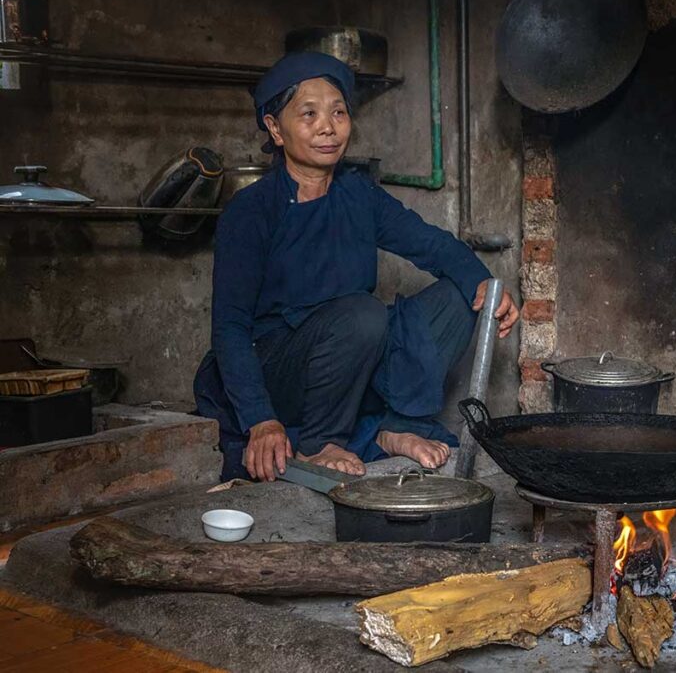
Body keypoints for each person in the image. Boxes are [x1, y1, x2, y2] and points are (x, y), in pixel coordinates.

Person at [193, 51, 518, 482]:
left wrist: (483, 282)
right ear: (275, 129)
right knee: (362, 314)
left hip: (349, 362)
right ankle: (319, 443)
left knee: (458, 294)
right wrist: (260, 420)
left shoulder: (358, 195)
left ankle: (388, 427)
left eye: (338, 112)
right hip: (280, 371)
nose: (328, 127)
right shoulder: (251, 211)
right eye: (308, 114)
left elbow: (432, 244)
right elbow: (230, 327)